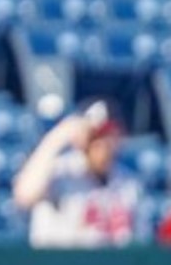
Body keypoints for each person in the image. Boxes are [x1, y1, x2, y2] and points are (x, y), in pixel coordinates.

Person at [11, 100, 143, 248]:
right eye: (96, 137)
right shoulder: (60, 171)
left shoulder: (128, 184)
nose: (104, 145)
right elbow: (24, 195)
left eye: (108, 136)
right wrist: (59, 135)